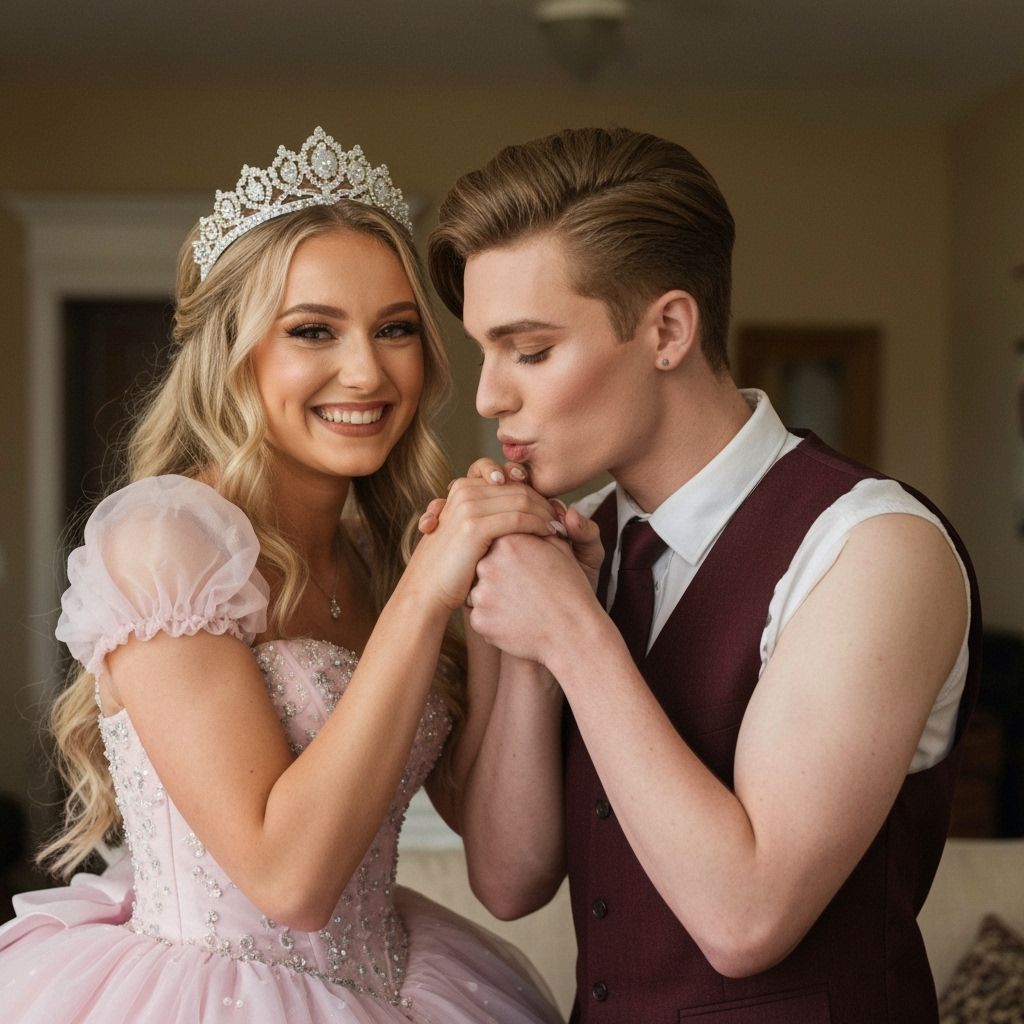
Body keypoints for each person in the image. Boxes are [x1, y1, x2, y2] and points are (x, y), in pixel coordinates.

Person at [0, 127, 564, 1024]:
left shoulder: (383, 555)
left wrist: (517, 604)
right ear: (236, 351)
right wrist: (428, 592)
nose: (366, 371)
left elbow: (511, 870)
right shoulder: (165, 542)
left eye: (396, 330)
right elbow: (286, 878)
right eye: (313, 330)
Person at [423, 127, 981, 1024]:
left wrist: (571, 630)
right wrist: (527, 638)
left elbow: (747, 918)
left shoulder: (875, 549)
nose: (489, 398)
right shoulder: (570, 547)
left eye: (528, 351)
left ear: (669, 330)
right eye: (483, 352)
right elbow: (507, 877)